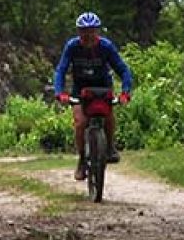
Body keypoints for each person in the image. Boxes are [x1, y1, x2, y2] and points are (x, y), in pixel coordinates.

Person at [53, 11, 133, 181]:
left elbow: (123, 69)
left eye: (92, 31)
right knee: (80, 122)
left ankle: (110, 147)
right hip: (80, 89)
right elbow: (61, 69)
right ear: (78, 32)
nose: (88, 35)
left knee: (109, 116)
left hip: (103, 87)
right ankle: (82, 159)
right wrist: (59, 92)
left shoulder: (106, 47)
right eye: (84, 31)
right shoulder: (72, 47)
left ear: (98, 32)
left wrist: (126, 92)